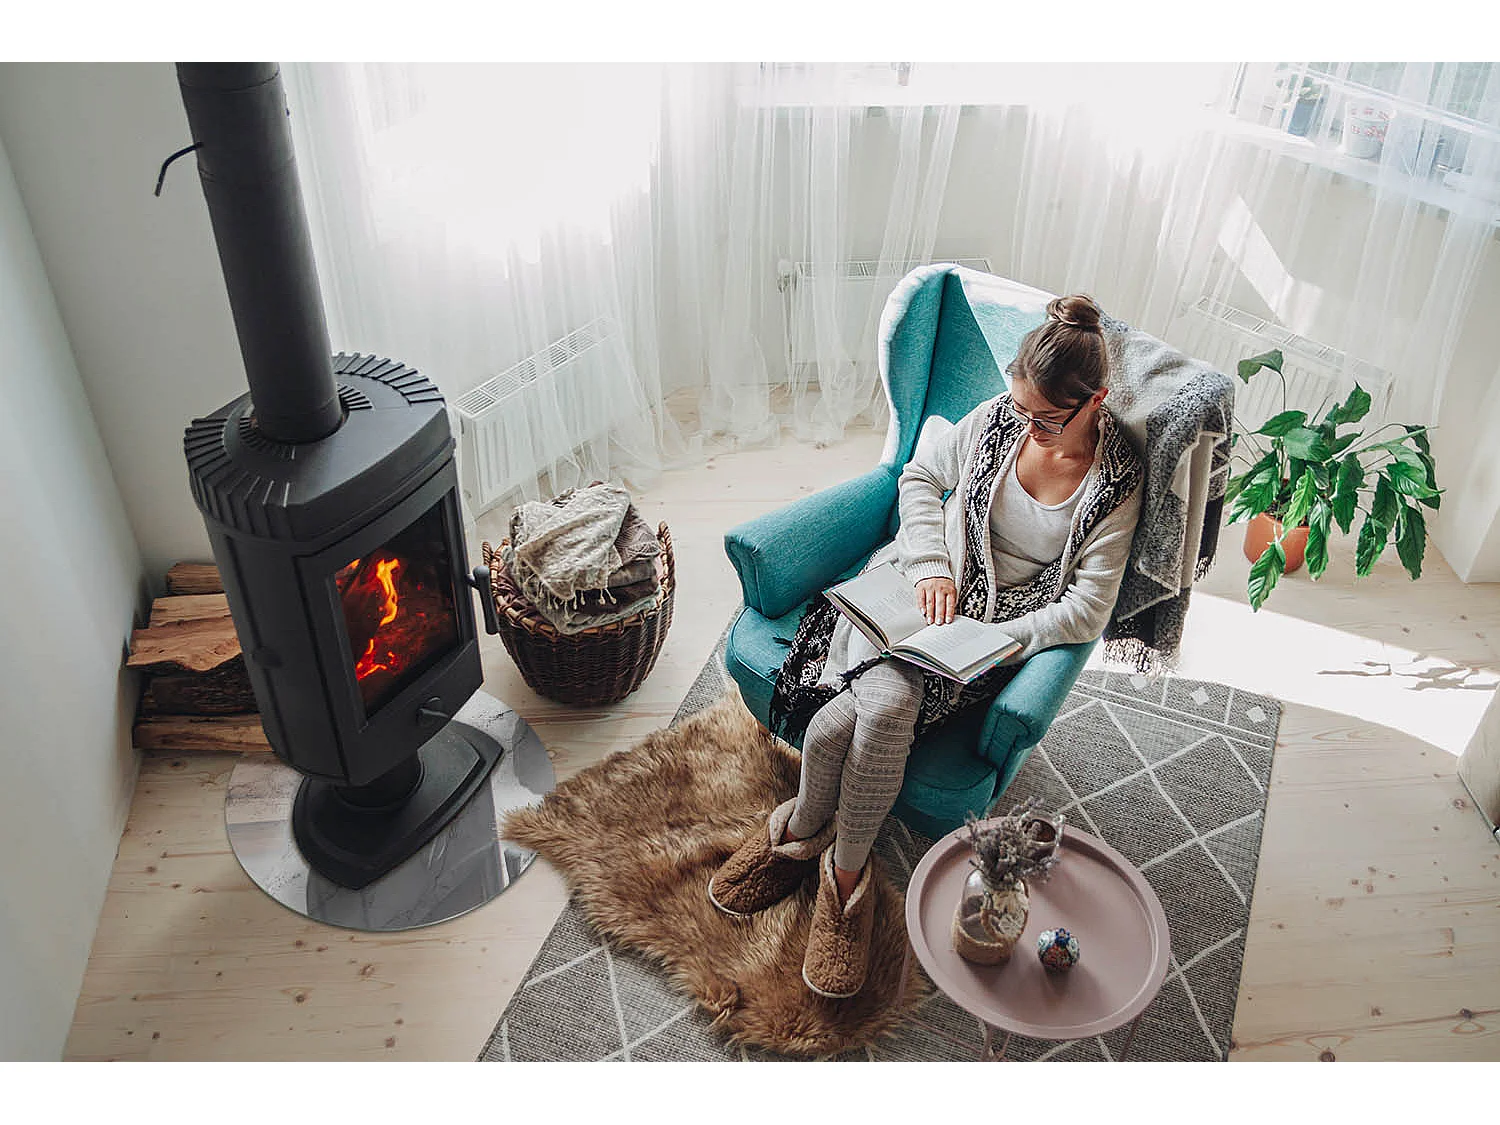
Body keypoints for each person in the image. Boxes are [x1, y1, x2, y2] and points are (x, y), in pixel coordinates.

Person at [708, 293, 1145, 999]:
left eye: (1045, 419)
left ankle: (812, 852)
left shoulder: (1116, 482)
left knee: (854, 721)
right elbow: (919, 476)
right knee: (878, 711)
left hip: (992, 633)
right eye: (1019, 408)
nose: (1026, 429)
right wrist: (932, 566)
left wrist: (1001, 641)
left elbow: (1087, 608)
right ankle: (838, 875)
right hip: (917, 582)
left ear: (1094, 400)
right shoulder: (1003, 417)